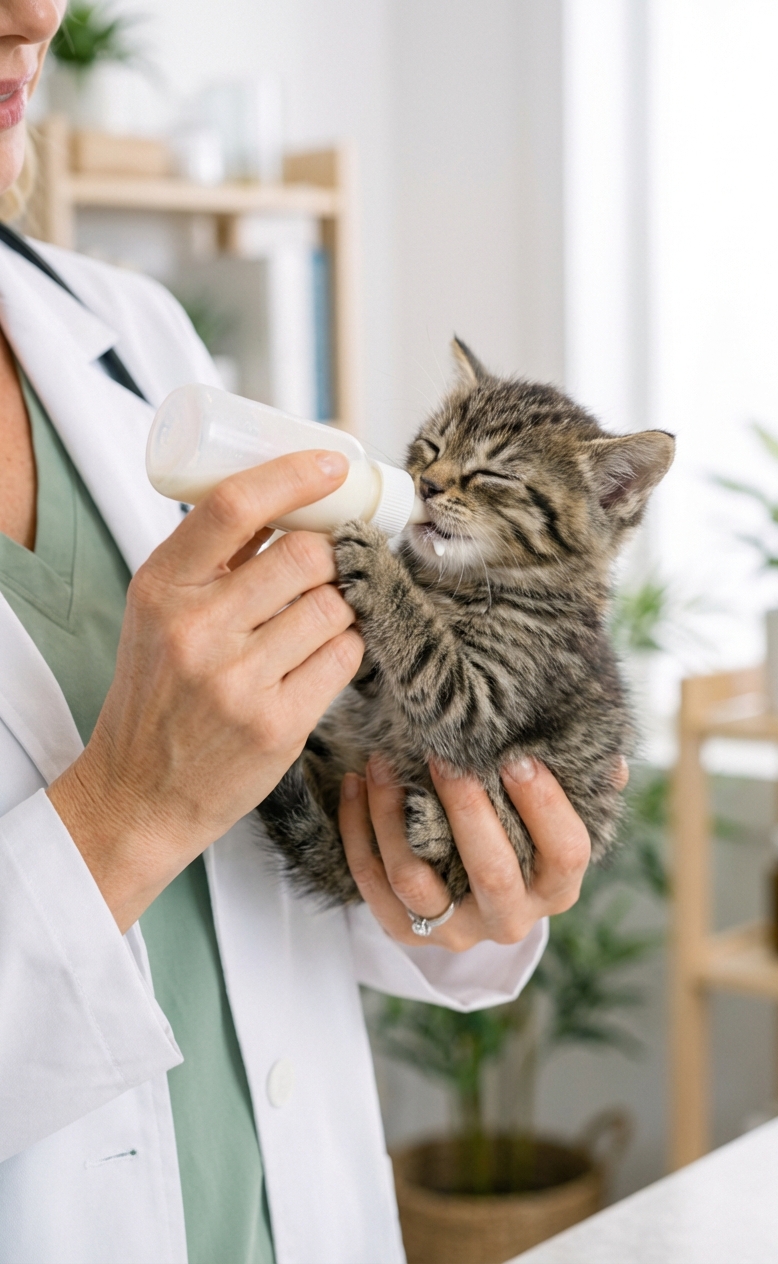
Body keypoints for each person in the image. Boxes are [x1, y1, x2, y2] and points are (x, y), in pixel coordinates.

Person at [0, 4, 622, 1262]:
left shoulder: (136, 333)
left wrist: (448, 901)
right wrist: (125, 810)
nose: (30, 14)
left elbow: (300, 897)